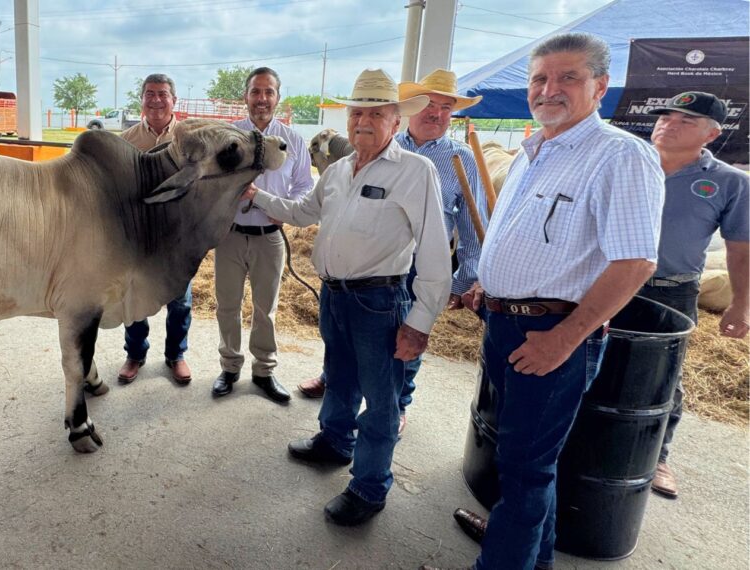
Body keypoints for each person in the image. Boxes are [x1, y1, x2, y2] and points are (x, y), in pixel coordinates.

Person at [425, 32, 664, 570]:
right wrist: (492, 283)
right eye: (539, 78)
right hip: (506, 323)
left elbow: (635, 263)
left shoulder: (620, 156)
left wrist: (564, 338)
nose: (548, 89)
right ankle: (535, 560)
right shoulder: (536, 150)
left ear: (600, 86)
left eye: (568, 78)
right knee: (529, 464)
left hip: (552, 334)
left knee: (526, 469)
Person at [243, 68, 451, 525]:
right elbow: (302, 213)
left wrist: (419, 322)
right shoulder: (337, 170)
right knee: (338, 376)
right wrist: (258, 196)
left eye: (376, 114)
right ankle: (334, 442)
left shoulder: (416, 171)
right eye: (357, 112)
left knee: (381, 400)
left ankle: (369, 487)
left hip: (380, 301)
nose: (363, 121)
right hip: (334, 296)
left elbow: (435, 253)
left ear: (396, 121)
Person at [296, 69, 487, 438]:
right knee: (349, 343)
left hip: (421, 265)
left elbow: (470, 220)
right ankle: (335, 393)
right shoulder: (378, 143)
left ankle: (396, 407)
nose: (437, 114)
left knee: (403, 345)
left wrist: (462, 279)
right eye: (430, 105)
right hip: (364, 266)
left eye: (446, 108)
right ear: (407, 113)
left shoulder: (458, 159)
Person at [643, 91, 749, 498]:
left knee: (663, 377)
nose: (669, 123)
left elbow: (741, 249)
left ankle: (656, 457)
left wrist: (741, 304)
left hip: (670, 292)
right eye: (666, 116)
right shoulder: (629, 165)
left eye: (685, 120)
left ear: (711, 133)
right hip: (604, 284)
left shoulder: (729, 183)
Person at [211, 67, 314, 403]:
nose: (262, 99)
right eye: (256, 91)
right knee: (227, 304)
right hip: (230, 235)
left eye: (269, 92)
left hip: (270, 236)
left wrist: (285, 208)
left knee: (265, 308)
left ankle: (264, 370)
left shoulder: (294, 141)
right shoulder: (227, 135)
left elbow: (304, 187)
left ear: (278, 98)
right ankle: (229, 367)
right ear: (245, 96)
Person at [115, 73, 194, 386]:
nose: (156, 100)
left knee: (180, 300)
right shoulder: (127, 140)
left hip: (179, 235)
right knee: (134, 298)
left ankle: (176, 355)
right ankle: (135, 353)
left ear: (175, 100)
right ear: (142, 100)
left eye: (163, 94)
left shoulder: (191, 138)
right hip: (139, 237)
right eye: (150, 93)